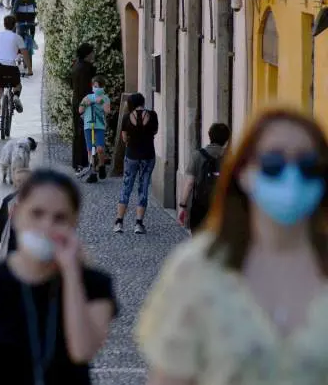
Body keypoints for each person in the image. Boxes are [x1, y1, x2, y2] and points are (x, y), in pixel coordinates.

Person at [136, 107, 328, 385]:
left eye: (308, 165)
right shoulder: (196, 267)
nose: (292, 177)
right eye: (273, 164)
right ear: (243, 172)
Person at [0, 169, 118, 385]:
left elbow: (82, 350)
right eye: (37, 214)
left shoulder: (93, 285)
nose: (46, 226)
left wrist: (72, 273)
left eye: (59, 218)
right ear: (15, 214)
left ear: (74, 222)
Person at [114, 93, 158, 235]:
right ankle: (138, 224)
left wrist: (130, 143)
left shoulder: (127, 117)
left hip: (132, 155)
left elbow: (124, 136)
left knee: (127, 186)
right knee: (143, 187)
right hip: (148, 155)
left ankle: (119, 222)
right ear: (143, 102)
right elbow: (155, 131)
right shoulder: (153, 115)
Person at [177, 122, 231, 232]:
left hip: (200, 206)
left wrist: (183, 206)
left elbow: (189, 183)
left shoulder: (197, 155)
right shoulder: (231, 157)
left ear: (209, 136)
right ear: (227, 139)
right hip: (223, 207)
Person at [0, 15, 28, 130]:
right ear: (14, 25)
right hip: (11, 67)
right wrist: (29, 69)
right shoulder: (17, 37)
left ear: (4, 24)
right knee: (17, 85)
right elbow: (25, 53)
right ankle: (16, 96)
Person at [0, 168, 31, 256]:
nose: (21, 184)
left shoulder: (40, 206)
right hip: (10, 253)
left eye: (24, 181)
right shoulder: (8, 202)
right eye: (18, 181)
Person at [78, 75, 111, 183]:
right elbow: (80, 110)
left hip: (99, 126)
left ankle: (101, 166)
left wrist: (99, 101)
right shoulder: (87, 97)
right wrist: (85, 103)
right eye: (95, 86)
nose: (97, 88)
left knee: (99, 149)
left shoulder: (105, 98)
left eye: (99, 86)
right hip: (88, 125)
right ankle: (92, 172)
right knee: (90, 149)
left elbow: (107, 110)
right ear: (92, 86)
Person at [70, 44, 97, 172]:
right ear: (87, 54)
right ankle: (84, 162)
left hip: (76, 101)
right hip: (85, 103)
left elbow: (71, 85)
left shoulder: (75, 65)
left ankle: (77, 162)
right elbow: (89, 89)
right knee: (84, 132)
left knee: (78, 132)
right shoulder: (87, 68)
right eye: (92, 52)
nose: (94, 54)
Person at [11, 0, 38, 76]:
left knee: (31, 38)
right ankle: (18, 53)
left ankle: (28, 54)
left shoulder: (33, 1)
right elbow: (14, 12)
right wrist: (15, 22)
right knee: (18, 35)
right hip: (20, 23)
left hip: (31, 23)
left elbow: (37, 11)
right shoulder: (18, 0)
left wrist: (37, 21)